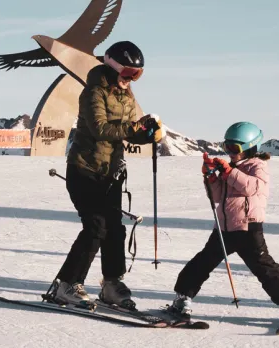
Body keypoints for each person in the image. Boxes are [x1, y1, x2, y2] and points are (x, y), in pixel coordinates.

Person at [49, 41, 163, 309]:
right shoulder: (93, 92)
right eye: (127, 73)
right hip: (85, 170)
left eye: (136, 75)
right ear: (112, 68)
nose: (130, 80)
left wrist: (147, 134)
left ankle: (111, 284)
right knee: (95, 227)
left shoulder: (126, 96)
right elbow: (101, 129)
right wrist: (133, 126)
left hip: (111, 172)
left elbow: (126, 132)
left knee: (115, 229)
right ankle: (66, 285)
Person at [168, 121, 279, 324]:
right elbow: (216, 197)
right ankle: (182, 299)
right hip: (224, 229)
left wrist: (229, 173)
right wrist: (211, 178)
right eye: (226, 147)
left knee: (265, 268)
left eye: (234, 148)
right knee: (201, 263)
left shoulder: (258, 166)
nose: (229, 152)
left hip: (248, 228)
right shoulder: (230, 168)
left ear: (250, 147)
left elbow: (251, 187)